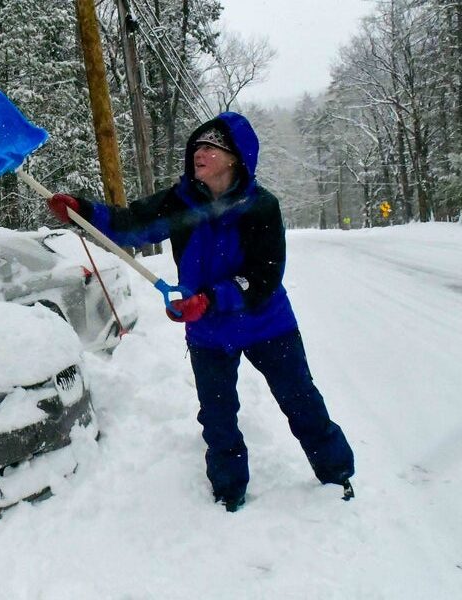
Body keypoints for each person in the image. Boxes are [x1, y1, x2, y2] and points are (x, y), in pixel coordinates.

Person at [47, 112, 354, 512]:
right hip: (207, 331)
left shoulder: (261, 207)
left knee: (301, 401)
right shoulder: (181, 201)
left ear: (235, 158)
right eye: (198, 146)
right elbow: (130, 223)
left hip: (266, 325)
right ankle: (228, 490)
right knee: (218, 416)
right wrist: (83, 211)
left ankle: (336, 475)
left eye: (212, 147)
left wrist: (211, 298)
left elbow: (264, 276)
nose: (200, 153)